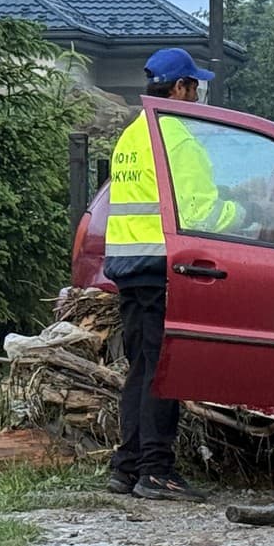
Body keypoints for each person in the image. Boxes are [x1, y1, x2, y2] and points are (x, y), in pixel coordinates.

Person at [103, 47, 245, 501]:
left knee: (141, 370)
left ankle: (126, 467)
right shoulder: (177, 138)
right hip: (161, 267)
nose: (198, 95)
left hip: (128, 268)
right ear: (179, 88)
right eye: (195, 86)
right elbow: (201, 213)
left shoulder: (133, 135)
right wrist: (246, 214)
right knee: (162, 372)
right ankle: (156, 470)